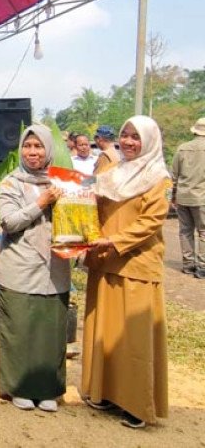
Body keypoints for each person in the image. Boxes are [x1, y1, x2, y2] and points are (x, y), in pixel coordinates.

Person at [83, 115, 170, 429]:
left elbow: (151, 223)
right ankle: (104, 393)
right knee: (105, 332)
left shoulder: (159, 177)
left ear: (149, 141)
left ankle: (136, 404)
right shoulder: (110, 169)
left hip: (136, 264)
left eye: (137, 137)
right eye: (126, 136)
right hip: (104, 261)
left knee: (134, 338)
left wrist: (114, 240)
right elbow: (88, 200)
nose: (130, 143)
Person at [0, 125, 69, 413]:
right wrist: (41, 203)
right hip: (20, 265)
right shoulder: (11, 183)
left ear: (48, 149)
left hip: (55, 266)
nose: (33, 152)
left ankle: (47, 388)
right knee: (19, 329)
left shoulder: (63, 184)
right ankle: (18, 387)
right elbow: (9, 222)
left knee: (50, 331)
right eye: (28, 146)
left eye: (39, 146)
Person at [171, 117, 205, 278]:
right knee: (203, 232)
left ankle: (188, 264)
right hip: (202, 197)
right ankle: (202, 267)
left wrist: (173, 195)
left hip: (183, 196)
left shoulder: (182, 148)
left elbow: (174, 175)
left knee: (185, 231)